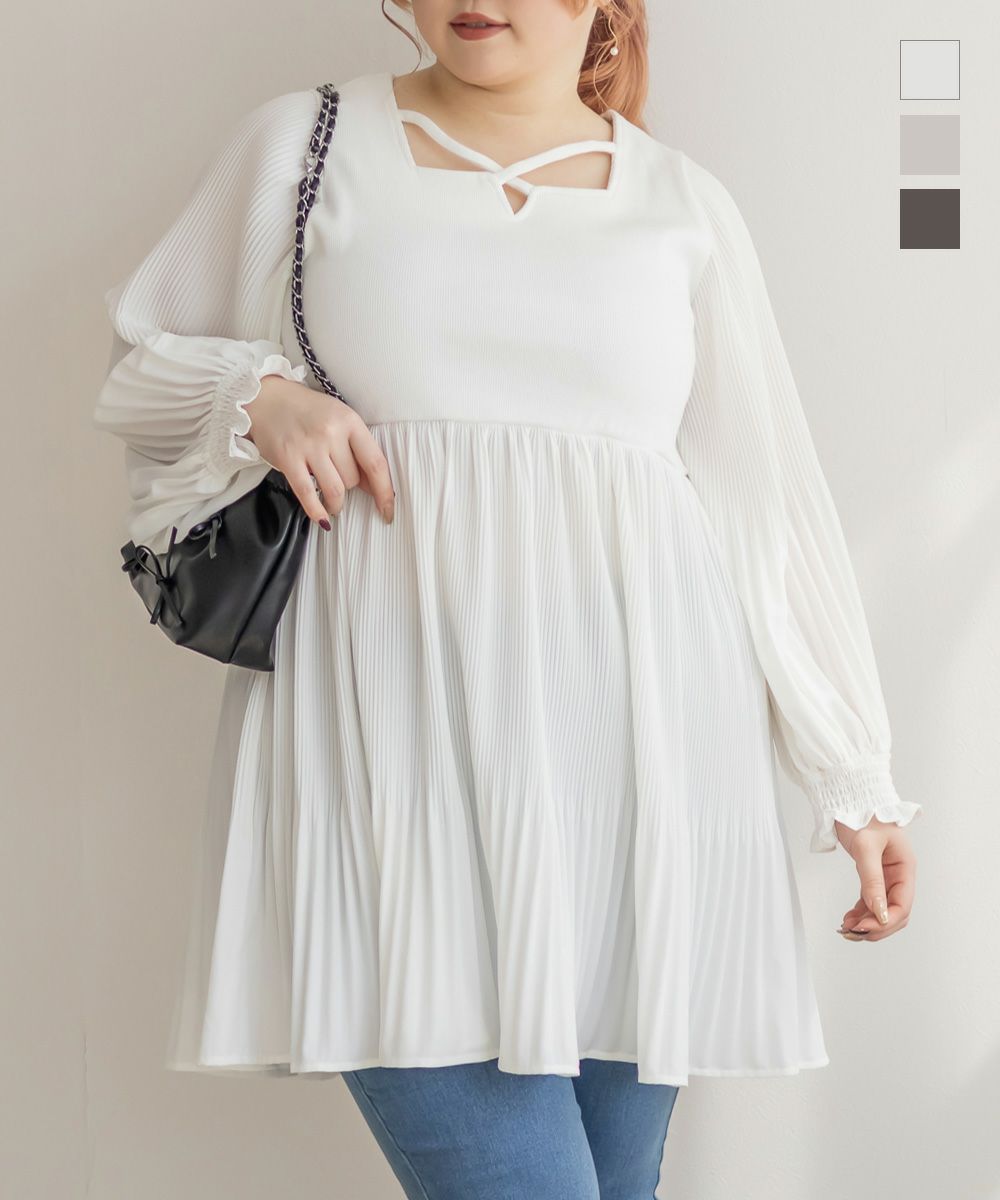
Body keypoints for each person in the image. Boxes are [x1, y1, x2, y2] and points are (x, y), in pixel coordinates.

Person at [91, 2, 922, 1196]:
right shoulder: (306, 144)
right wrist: (260, 398)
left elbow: (764, 496)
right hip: (391, 765)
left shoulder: (682, 203)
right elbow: (138, 355)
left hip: (640, 781)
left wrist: (852, 771)